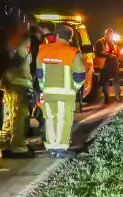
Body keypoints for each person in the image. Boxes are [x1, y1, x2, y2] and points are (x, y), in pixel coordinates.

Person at [37, 24, 87, 158]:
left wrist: (43, 86)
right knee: (63, 120)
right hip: (66, 94)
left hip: (48, 92)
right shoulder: (72, 52)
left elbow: (39, 73)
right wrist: (75, 87)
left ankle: (52, 147)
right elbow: (80, 75)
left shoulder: (43, 50)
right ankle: (61, 148)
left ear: (57, 35)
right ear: (70, 38)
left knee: (50, 119)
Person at [1, 23, 36, 158]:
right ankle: (18, 147)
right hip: (19, 82)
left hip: (9, 82)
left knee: (9, 115)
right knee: (20, 116)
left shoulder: (11, 40)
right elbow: (19, 60)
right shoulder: (25, 42)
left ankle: (5, 143)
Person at [93, 28, 122, 104]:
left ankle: (118, 96)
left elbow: (115, 51)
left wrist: (118, 53)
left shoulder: (113, 42)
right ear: (105, 35)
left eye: (112, 35)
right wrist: (109, 55)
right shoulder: (100, 42)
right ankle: (107, 98)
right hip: (105, 64)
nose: (111, 36)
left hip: (114, 63)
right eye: (110, 35)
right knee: (105, 81)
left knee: (116, 80)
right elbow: (98, 53)